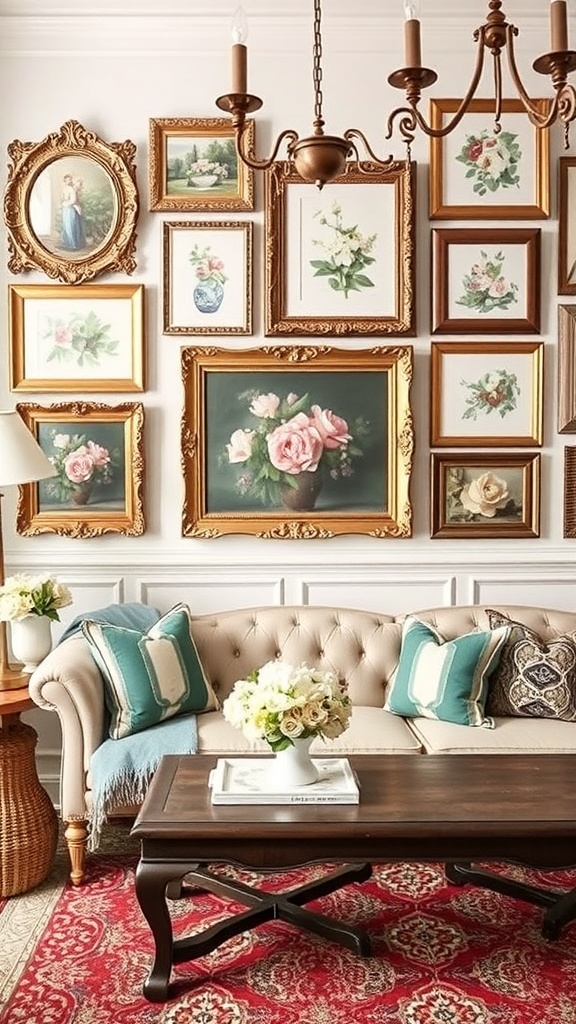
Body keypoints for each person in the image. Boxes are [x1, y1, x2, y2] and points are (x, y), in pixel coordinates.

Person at [60, 173, 85, 250]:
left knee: (71, 226)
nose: (69, 181)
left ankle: (73, 245)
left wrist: (66, 203)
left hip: (71, 209)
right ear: (64, 181)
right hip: (66, 209)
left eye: (70, 180)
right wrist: (63, 203)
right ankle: (68, 244)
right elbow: (62, 198)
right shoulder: (64, 189)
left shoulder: (72, 189)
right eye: (67, 180)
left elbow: (73, 200)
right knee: (66, 226)